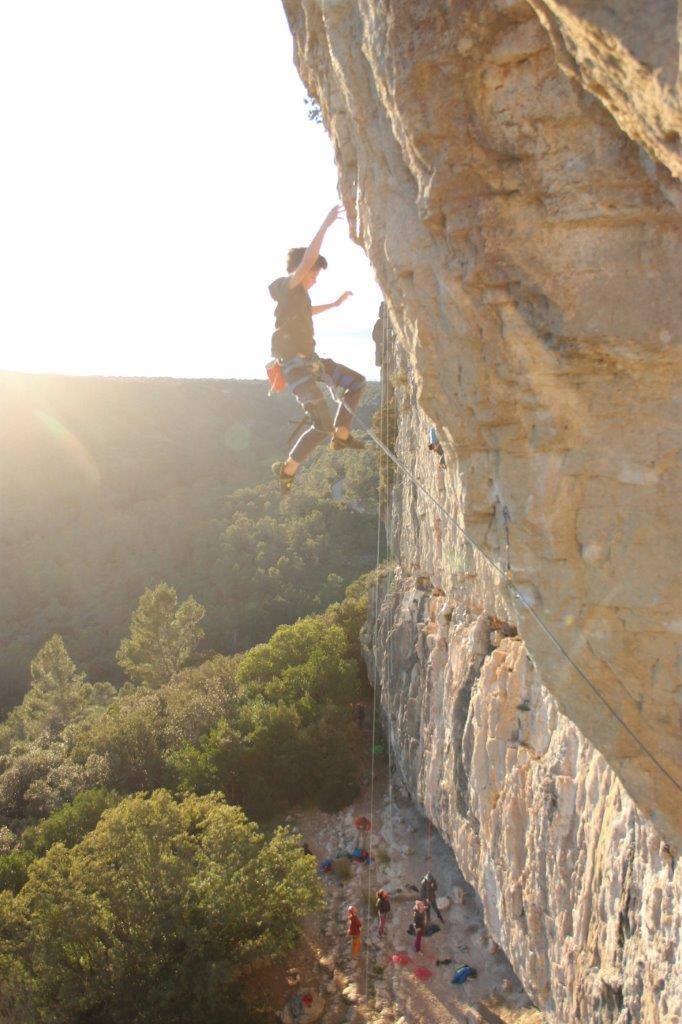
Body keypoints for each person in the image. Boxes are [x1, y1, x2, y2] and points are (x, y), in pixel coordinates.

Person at [269, 204, 367, 495]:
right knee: (319, 424)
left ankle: (342, 434)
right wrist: (324, 226)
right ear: (301, 271)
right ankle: (287, 469)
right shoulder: (285, 287)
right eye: (313, 274)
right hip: (294, 366)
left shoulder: (299, 300)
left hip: (311, 361)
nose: (314, 279)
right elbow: (308, 260)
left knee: (357, 383)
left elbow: (307, 312)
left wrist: (334, 305)